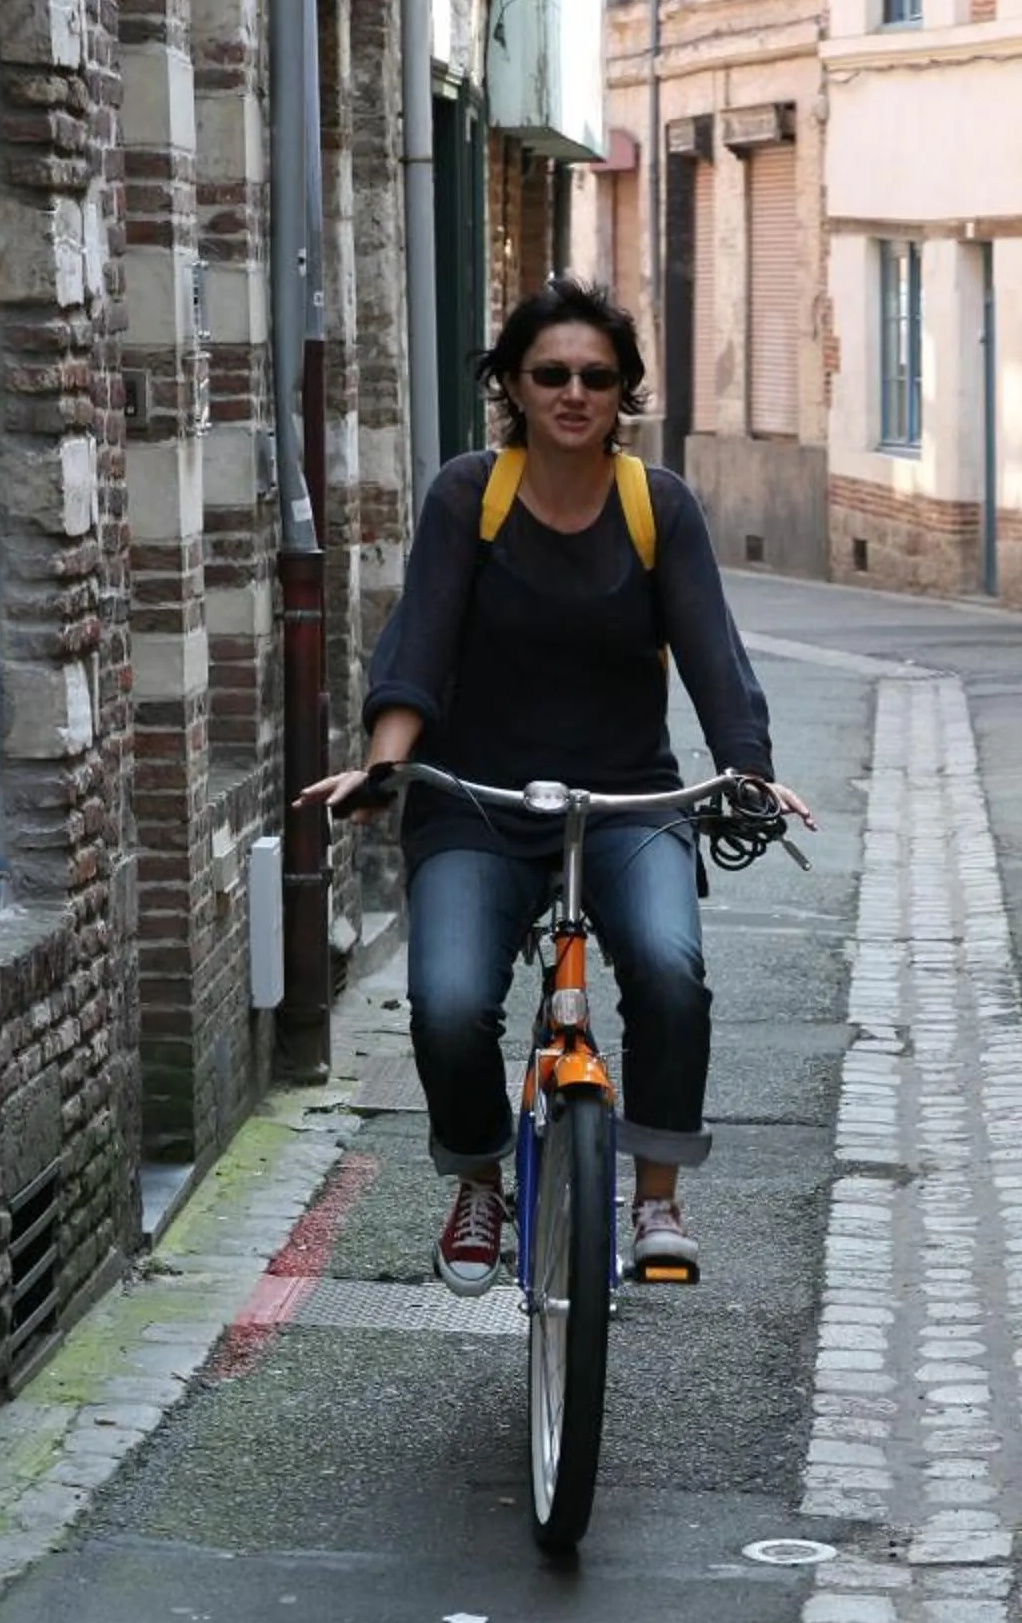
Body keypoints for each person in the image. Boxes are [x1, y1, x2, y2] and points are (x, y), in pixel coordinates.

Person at [301, 274, 812, 1293]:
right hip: (479, 806)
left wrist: (746, 772)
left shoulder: (653, 504)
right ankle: (479, 1183)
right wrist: (386, 764)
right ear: (514, 387)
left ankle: (657, 1196)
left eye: (596, 376)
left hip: (625, 801)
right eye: (550, 375)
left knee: (669, 971)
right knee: (446, 1005)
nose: (573, 393)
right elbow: (419, 646)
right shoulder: (469, 496)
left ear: (621, 392)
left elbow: (712, 656)